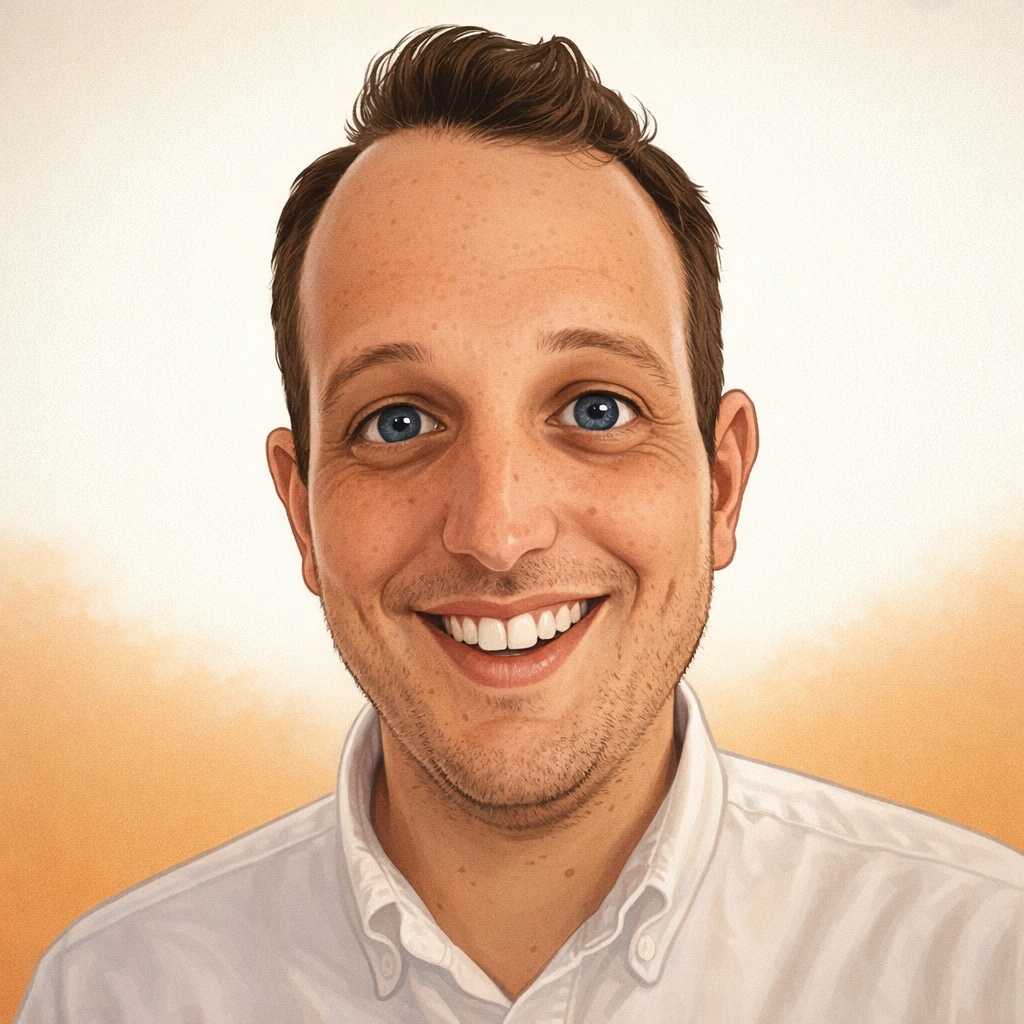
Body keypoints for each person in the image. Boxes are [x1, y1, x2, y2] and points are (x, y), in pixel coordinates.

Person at [17, 25, 1023, 1024]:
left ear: (720, 484)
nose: (497, 534)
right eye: (397, 421)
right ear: (302, 511)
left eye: (595, 408)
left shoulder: (987, 966)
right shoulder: (113, 995)